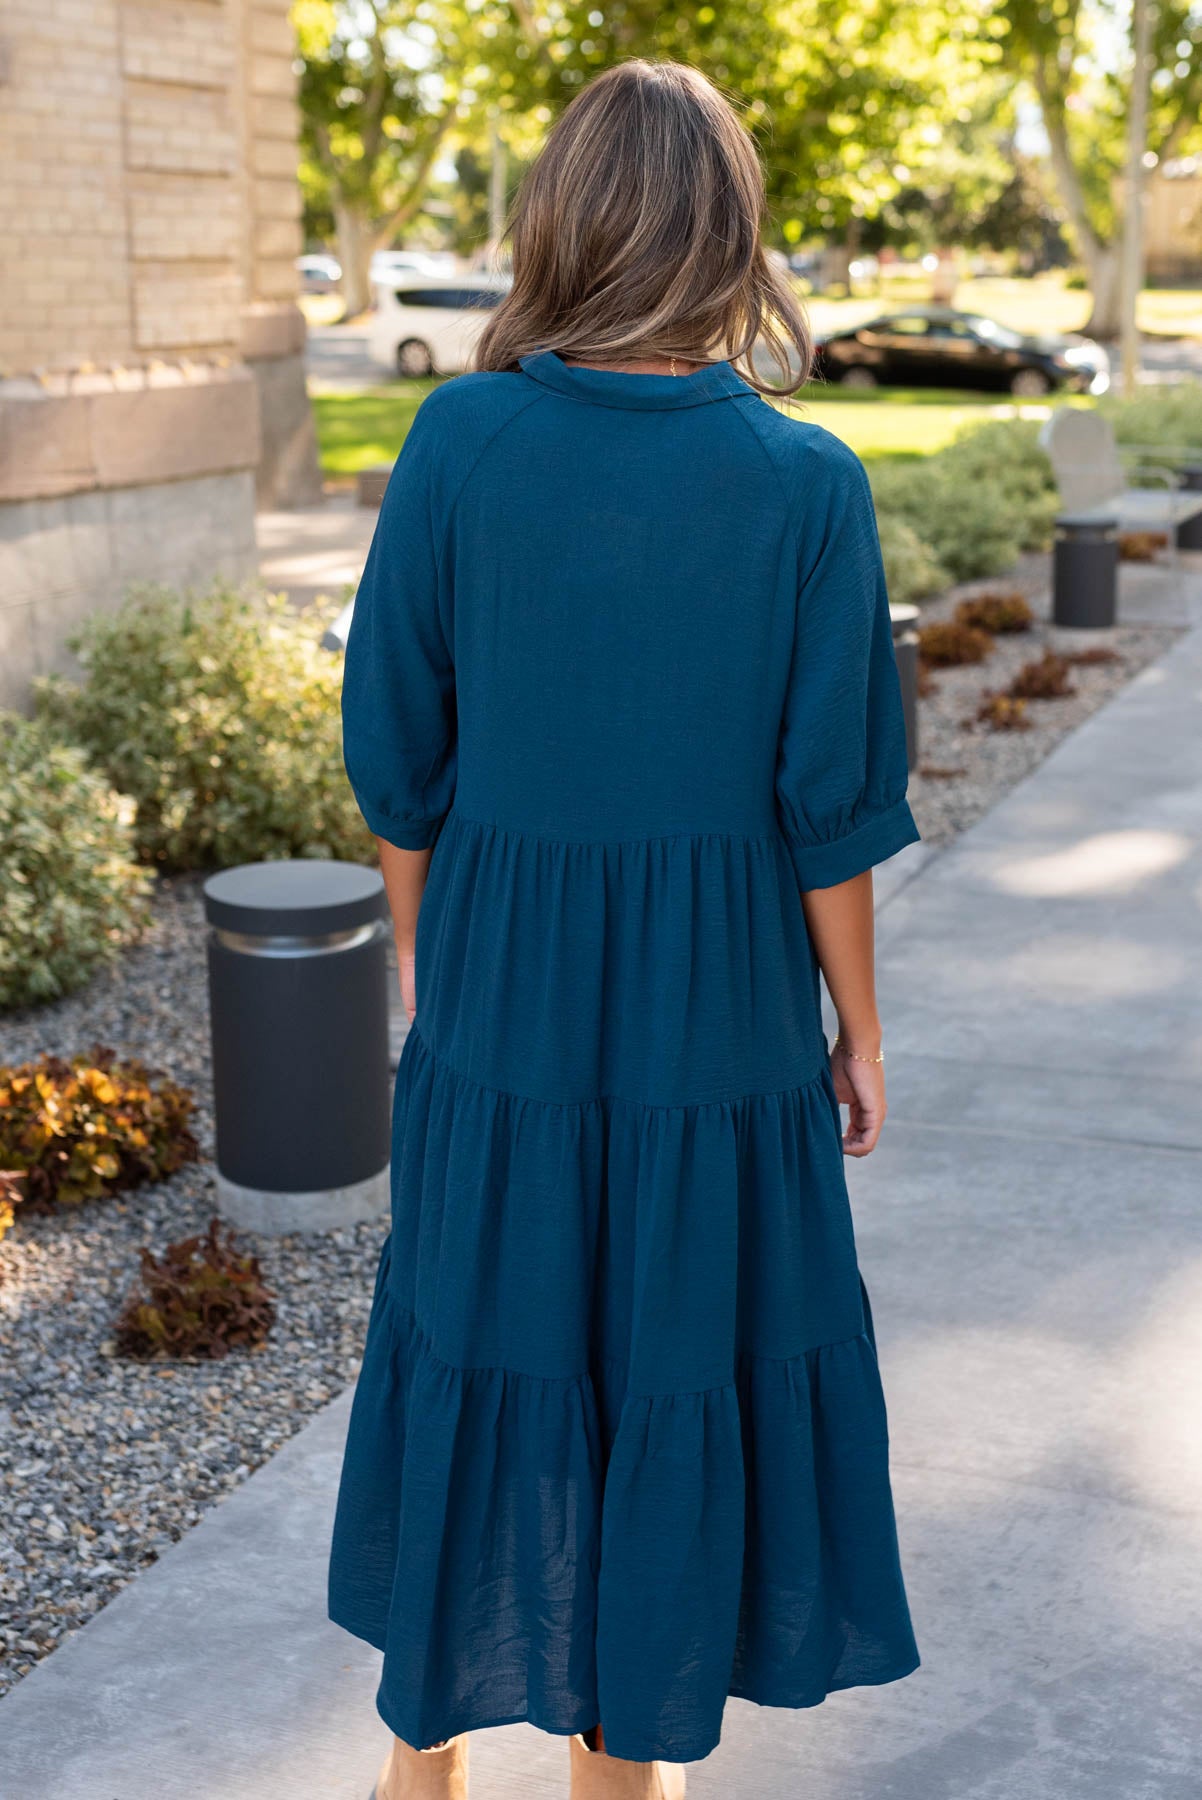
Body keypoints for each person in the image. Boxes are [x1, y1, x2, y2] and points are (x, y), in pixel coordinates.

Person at [328, 58, 920, 1800]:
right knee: (668, 1347)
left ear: (562, 223)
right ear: (727, 231)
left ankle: (416, 1767)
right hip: (714, 1014)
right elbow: (830, 809)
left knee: (484, 1334)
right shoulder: (799, 486)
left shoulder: (459, 439)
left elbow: (398, 756)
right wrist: (858, 1034)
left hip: (503, 990)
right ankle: (621, 1767)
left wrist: (437, 968)